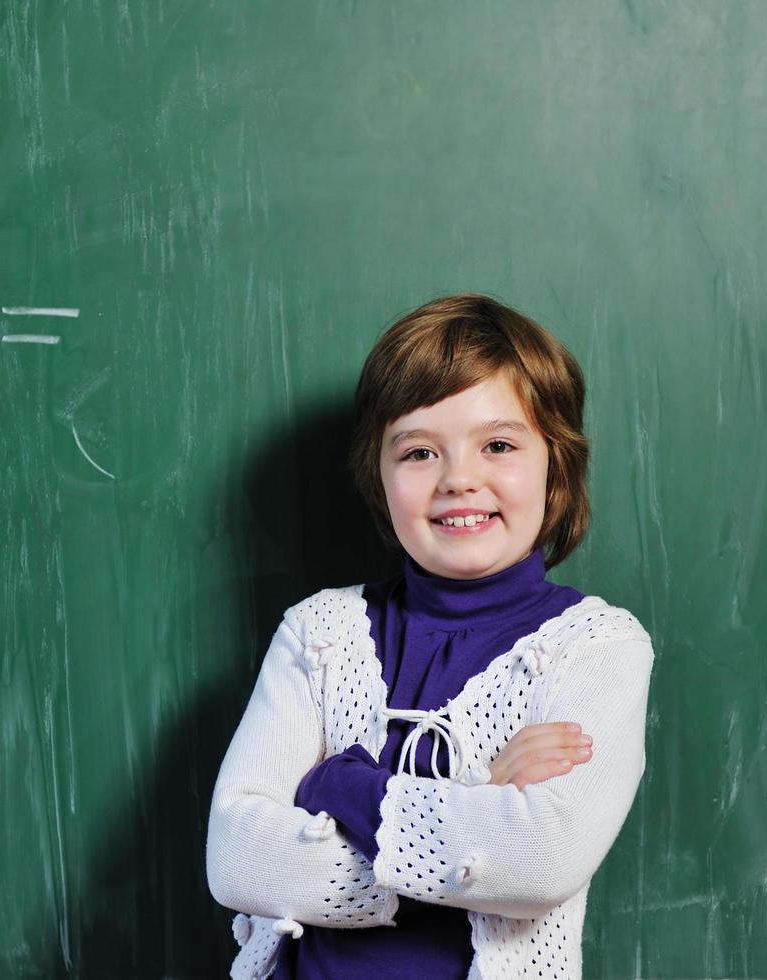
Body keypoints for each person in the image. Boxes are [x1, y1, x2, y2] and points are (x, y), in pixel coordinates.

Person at [205, 293, 655, 979]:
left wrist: (338, 783)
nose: (459, 480)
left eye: (499, 445)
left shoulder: (597, 649)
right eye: (418, 452)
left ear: (554, 463)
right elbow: (237, 858)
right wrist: (480, 806)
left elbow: (540, 862)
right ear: (379, 476)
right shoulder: (319, 633)